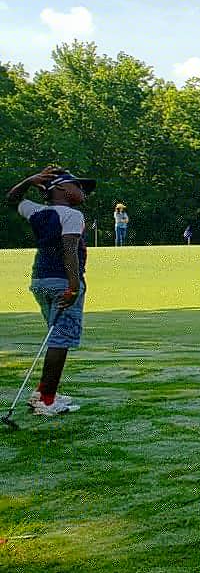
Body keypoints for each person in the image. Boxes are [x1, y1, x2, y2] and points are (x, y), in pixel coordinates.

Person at [6, 165, 96, 416]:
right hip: (63, 283)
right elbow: (69, 251)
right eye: (78, 186)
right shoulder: (72, 215)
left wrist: (28, 180)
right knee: (60, 339)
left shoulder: (37, 211)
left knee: (56, 336)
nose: (82, 191)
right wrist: (74, 286)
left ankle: (44, 392)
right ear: (62, 188)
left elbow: (12, 199)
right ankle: (46, 401)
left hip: (41, 280)